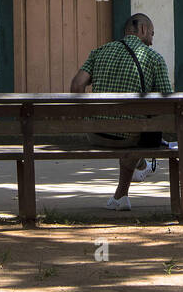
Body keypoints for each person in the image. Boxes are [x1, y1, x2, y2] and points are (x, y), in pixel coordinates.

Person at [71, 13, 172, 211]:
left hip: (96, 134)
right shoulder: (154, 58)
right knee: (136, 129)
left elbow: (77, 85)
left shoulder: (99, 52)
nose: (152, 41)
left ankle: (122, 194)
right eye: (152, 34)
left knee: (126, 125)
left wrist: (87, 118)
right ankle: (136, 170)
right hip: (130, 136)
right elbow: (166, 102)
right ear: (142, 29)